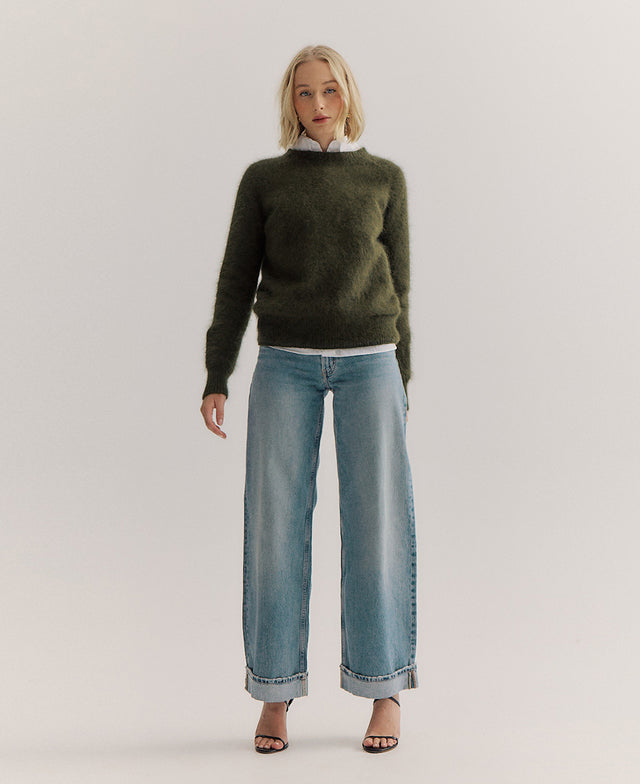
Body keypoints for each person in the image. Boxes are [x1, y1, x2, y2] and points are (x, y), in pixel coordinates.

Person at [200, 44, 418, 754]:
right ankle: (274, 692)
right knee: (274, 528)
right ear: (289, 102)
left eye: (329, 90)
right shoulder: (264, 181)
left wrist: (403, 379)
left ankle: (384, 688)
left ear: (347, 94)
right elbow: (236, 281)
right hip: (285, 366)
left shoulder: (384, 178)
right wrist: (217, 373)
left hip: (371, 364)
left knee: (377, 527)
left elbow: (400, 287)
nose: (318, 104)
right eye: (303, 92)